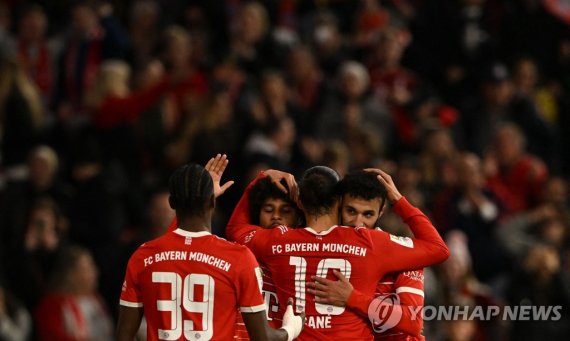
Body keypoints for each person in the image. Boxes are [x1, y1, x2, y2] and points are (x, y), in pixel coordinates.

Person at [227, 165, 449, 340]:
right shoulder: (370, 242)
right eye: (351, 210)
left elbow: (235, 229)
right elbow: (438, 249)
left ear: (299, 202)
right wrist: (399, 201)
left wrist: (260, 180)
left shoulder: (276, 241)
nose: (358, 222)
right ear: (339, 201)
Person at [116, 157, 304, 341]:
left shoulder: (143, 256)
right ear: (213, 202)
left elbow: (123, 336)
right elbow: (263, 337)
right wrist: (291, 328)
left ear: (172, 203)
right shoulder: (238, 258)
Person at [307, 170, 426, 340]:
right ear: (339, 206)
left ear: (381, 211)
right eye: (351, 211)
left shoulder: (401, 253)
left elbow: (413, 321)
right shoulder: (322, 250)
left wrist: (352, 298)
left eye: (368, 214)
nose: (358, 223)